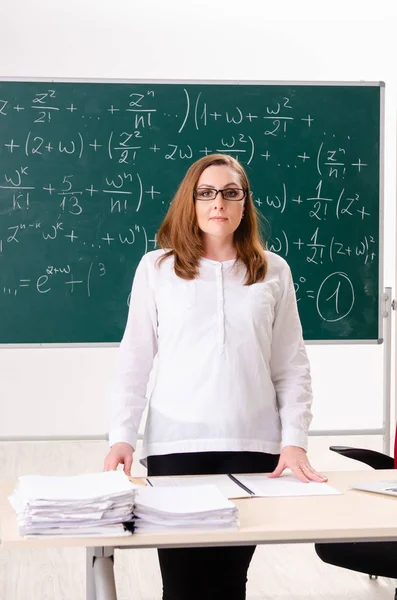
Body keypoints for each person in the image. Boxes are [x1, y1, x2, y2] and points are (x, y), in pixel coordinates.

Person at [104, 153, 327, 600]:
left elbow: (291, 365)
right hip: (176, 447)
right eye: (205, 193)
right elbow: (135, 359)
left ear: (245, 204)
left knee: (228, 582)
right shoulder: (157, 268)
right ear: (191, 202)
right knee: (183, 582)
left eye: (230, 192)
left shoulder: (273, 270)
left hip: (253, 446)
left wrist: (295, 439)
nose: (217, 202)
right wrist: (121, 436)